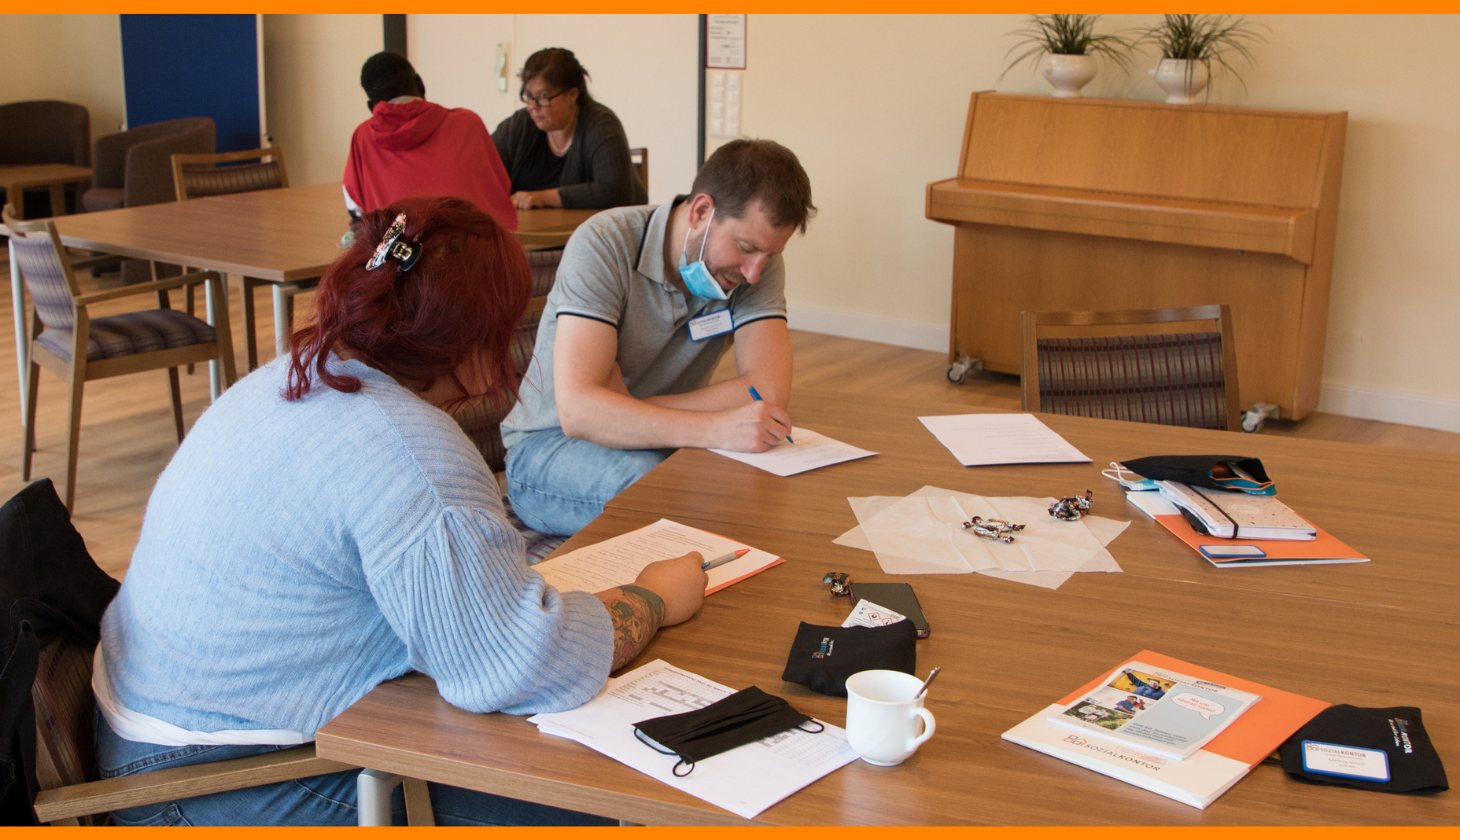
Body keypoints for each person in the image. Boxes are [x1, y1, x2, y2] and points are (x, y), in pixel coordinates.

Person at [92, 197, 707, 826]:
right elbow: (518, 665)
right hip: (205, 782)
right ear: (481, 339)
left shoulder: (287, 380)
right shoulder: (411, 453)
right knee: (610, 806)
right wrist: (654, 597)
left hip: (139, 724)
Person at [501, 138, 815, 536]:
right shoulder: (604, 242)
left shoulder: (757, 264)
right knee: (670, 490)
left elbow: (765, 392)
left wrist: (625, 411)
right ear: (701, 211)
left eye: (768, 255)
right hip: (549, 446)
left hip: (661, 441)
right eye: (745, 247)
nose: (754, 273)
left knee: (750, 485)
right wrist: (713, 427)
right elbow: (579, 413)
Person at [343, 52, 517, 232]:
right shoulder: (468, 123)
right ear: (420, 84)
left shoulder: (363, 136)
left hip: (399, 249)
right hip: (469, 246)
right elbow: (500, 191)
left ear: (371, 107)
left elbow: (356, 211)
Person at [493, 48, 647, 210]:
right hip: (532, 226)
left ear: (572, 95)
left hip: (594, 226)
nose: (533, 106)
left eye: (543, 96)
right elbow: (483, 167)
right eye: (529, 96)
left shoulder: (601, 124)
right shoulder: (520, 125)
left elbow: (614, 191)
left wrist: (544, 197)